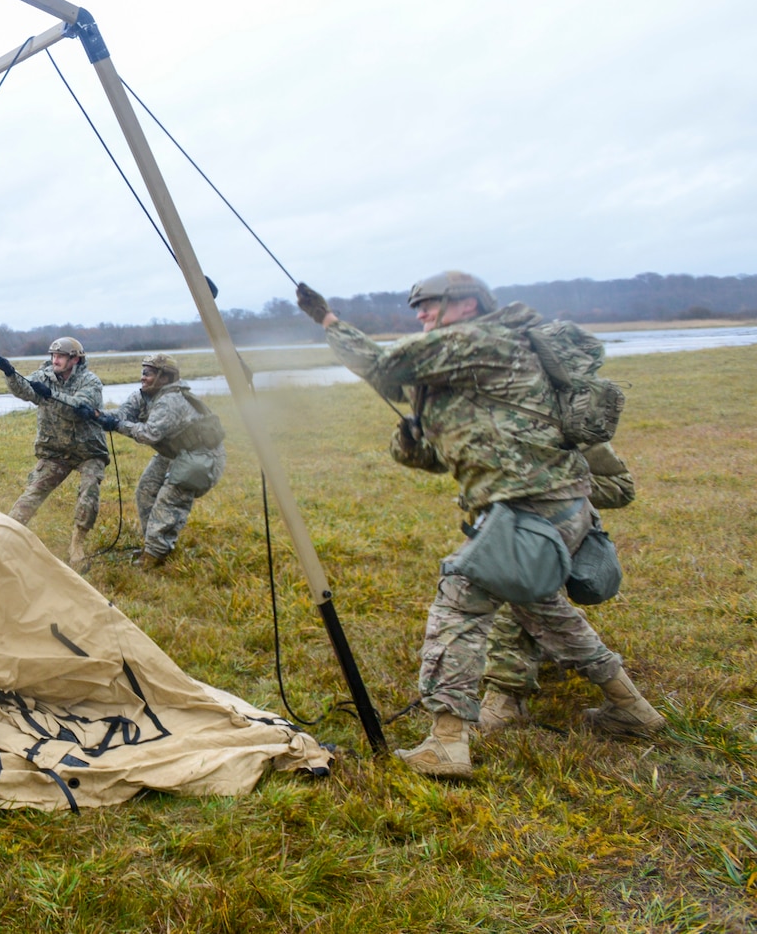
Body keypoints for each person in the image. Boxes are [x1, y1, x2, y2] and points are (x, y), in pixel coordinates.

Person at [297, 270, 663, 778]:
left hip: (530, 511)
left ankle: (446, 742)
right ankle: (632, 709)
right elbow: (439, 448)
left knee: (459, 601)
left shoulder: (480, 339)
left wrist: (330, 321)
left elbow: (380, 366)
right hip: (555, 508)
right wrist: (413, 439)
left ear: (466, 304)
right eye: (417, 308)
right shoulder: (480, 357)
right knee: (544, 612)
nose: (420, 315)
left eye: (427, 306)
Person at [478, 440, 635, 731]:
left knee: (519, 591)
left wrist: (552, 488)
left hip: (558, 526)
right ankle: (625, 701)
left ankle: (505, 697)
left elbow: (621, 487)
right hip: (509, 523)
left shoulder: (564, 417)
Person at [92, 353, 226, 568]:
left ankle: (155, 555)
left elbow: (148, 434)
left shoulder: (170, 401)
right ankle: (152, 545)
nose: (143, 377)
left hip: (200, 457)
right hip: (174, 453)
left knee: (169, 501)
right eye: (143, 372)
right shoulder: (144, 395)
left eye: (149, 373)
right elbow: (123, 414)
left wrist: (115, 425)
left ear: (165, 378)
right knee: (146, 490)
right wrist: (96, 416)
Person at [0, 337, 107, 568]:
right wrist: (11, 375)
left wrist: (49, 395)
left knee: (89, 491)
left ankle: (77, 545)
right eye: (53, 356)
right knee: (33, 492)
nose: (55, 360)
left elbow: (77, 409)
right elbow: (27, 390)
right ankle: (5, 537)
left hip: (89, 452)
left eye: (60, 356)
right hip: (56, 451)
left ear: (75, 359)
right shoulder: (44, 375)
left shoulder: (91, 382)